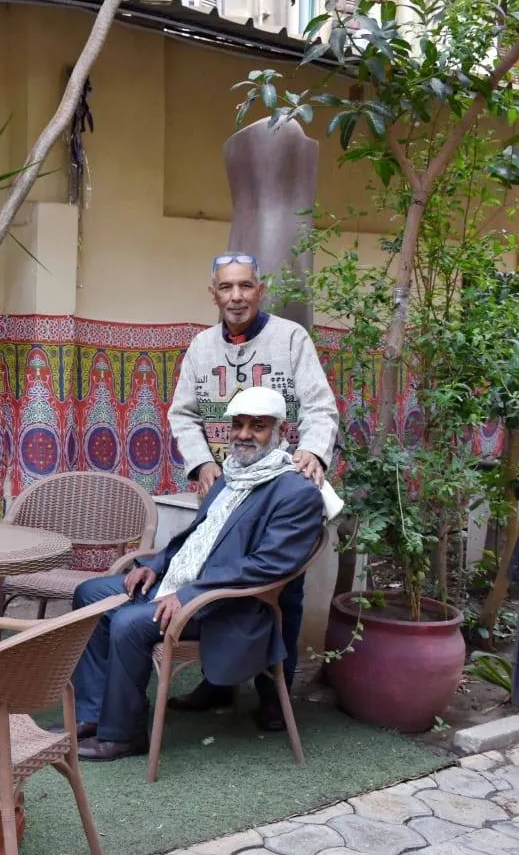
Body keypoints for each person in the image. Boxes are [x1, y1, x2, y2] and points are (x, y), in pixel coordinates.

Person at [70, 387, 334, 761]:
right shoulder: (232, 476)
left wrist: (190, 594)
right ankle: (92, 715)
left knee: (129, 623)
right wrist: (156, 566)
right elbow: (198, 536)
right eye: (238, 425)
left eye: (257, 426)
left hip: (229, 605)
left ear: (281, 431)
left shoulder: (296, 492)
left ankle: (123, 735)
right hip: (187, 584)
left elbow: (267, 566)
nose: (244, 434)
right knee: (90, 594)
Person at [167, 253, 339, 715]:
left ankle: (273, 697)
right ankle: (218, 683)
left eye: (245, 286)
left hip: (280, 486)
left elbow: (320, 406)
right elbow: (182, 414)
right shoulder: (202, 347)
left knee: (281, 591)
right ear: (214, 295)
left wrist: (314, 451)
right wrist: (201, 463)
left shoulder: (290, 338)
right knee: (215, 577)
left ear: (260, 291)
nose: (236, 296)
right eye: (226, 287)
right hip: (225, 485)